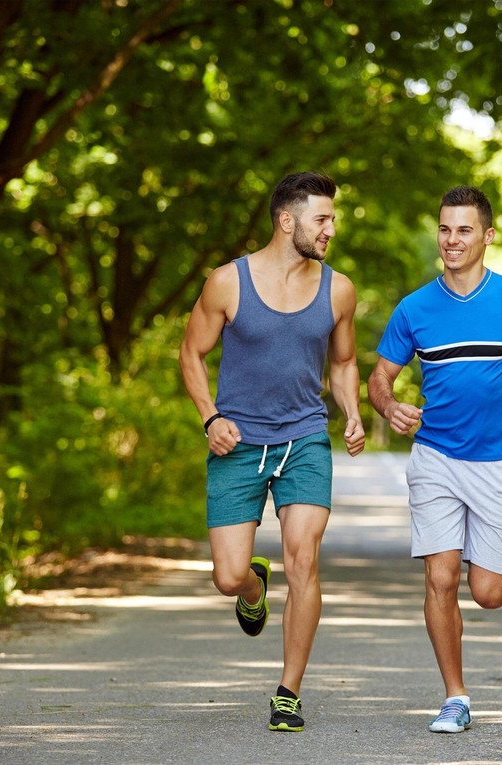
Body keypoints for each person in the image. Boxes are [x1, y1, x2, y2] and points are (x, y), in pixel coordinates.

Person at [368, 185, 502, 734]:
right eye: (444, 229)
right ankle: (455, 697)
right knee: (440, 578)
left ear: (487, 236)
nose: (452, 240)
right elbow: (379, 376)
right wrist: (389, 404)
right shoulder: (414, 308)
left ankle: (477, 550)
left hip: (496, 463)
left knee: (488, 594)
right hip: (435, 457)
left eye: (464, 230)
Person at [179, 171, 365, 732]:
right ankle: (253, 587)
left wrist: (352, 412)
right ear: (288, 221)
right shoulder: (226, 283)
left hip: (305, 438)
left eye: (332, 218)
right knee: (227, 576)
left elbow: (343, 363)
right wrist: (210, 417)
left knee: (304, 558)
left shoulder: (339, 289)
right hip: (237, 440)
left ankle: (289, 690)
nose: (331, 228)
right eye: (322, 218)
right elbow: (191, 355)